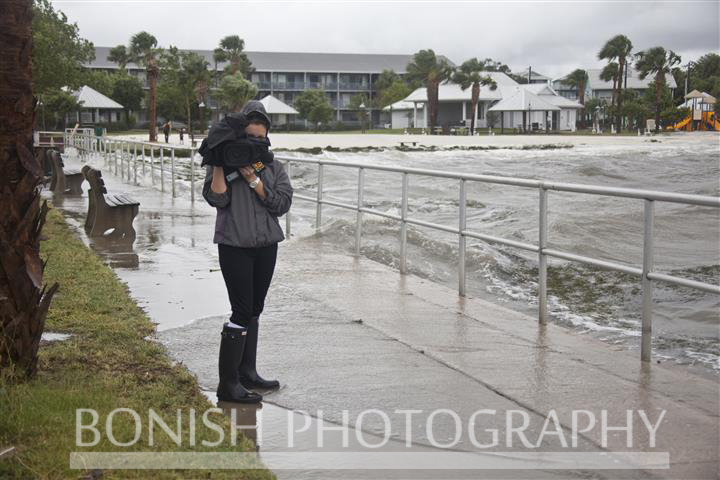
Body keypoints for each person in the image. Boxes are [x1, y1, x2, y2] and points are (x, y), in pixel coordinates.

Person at [202, 101, 293, 404]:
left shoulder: (273, 167)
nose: (254, 145)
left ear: (267, 137)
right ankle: (228, 385)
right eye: (248, 138)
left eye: (260, 139)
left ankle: (247, 373)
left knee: (254, 309)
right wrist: (218, 161)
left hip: (267, 246)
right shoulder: (225, 165)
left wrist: (254, 180)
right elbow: (217, 200)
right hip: (234, 245)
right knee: (241, 310)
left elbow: (281, 204)